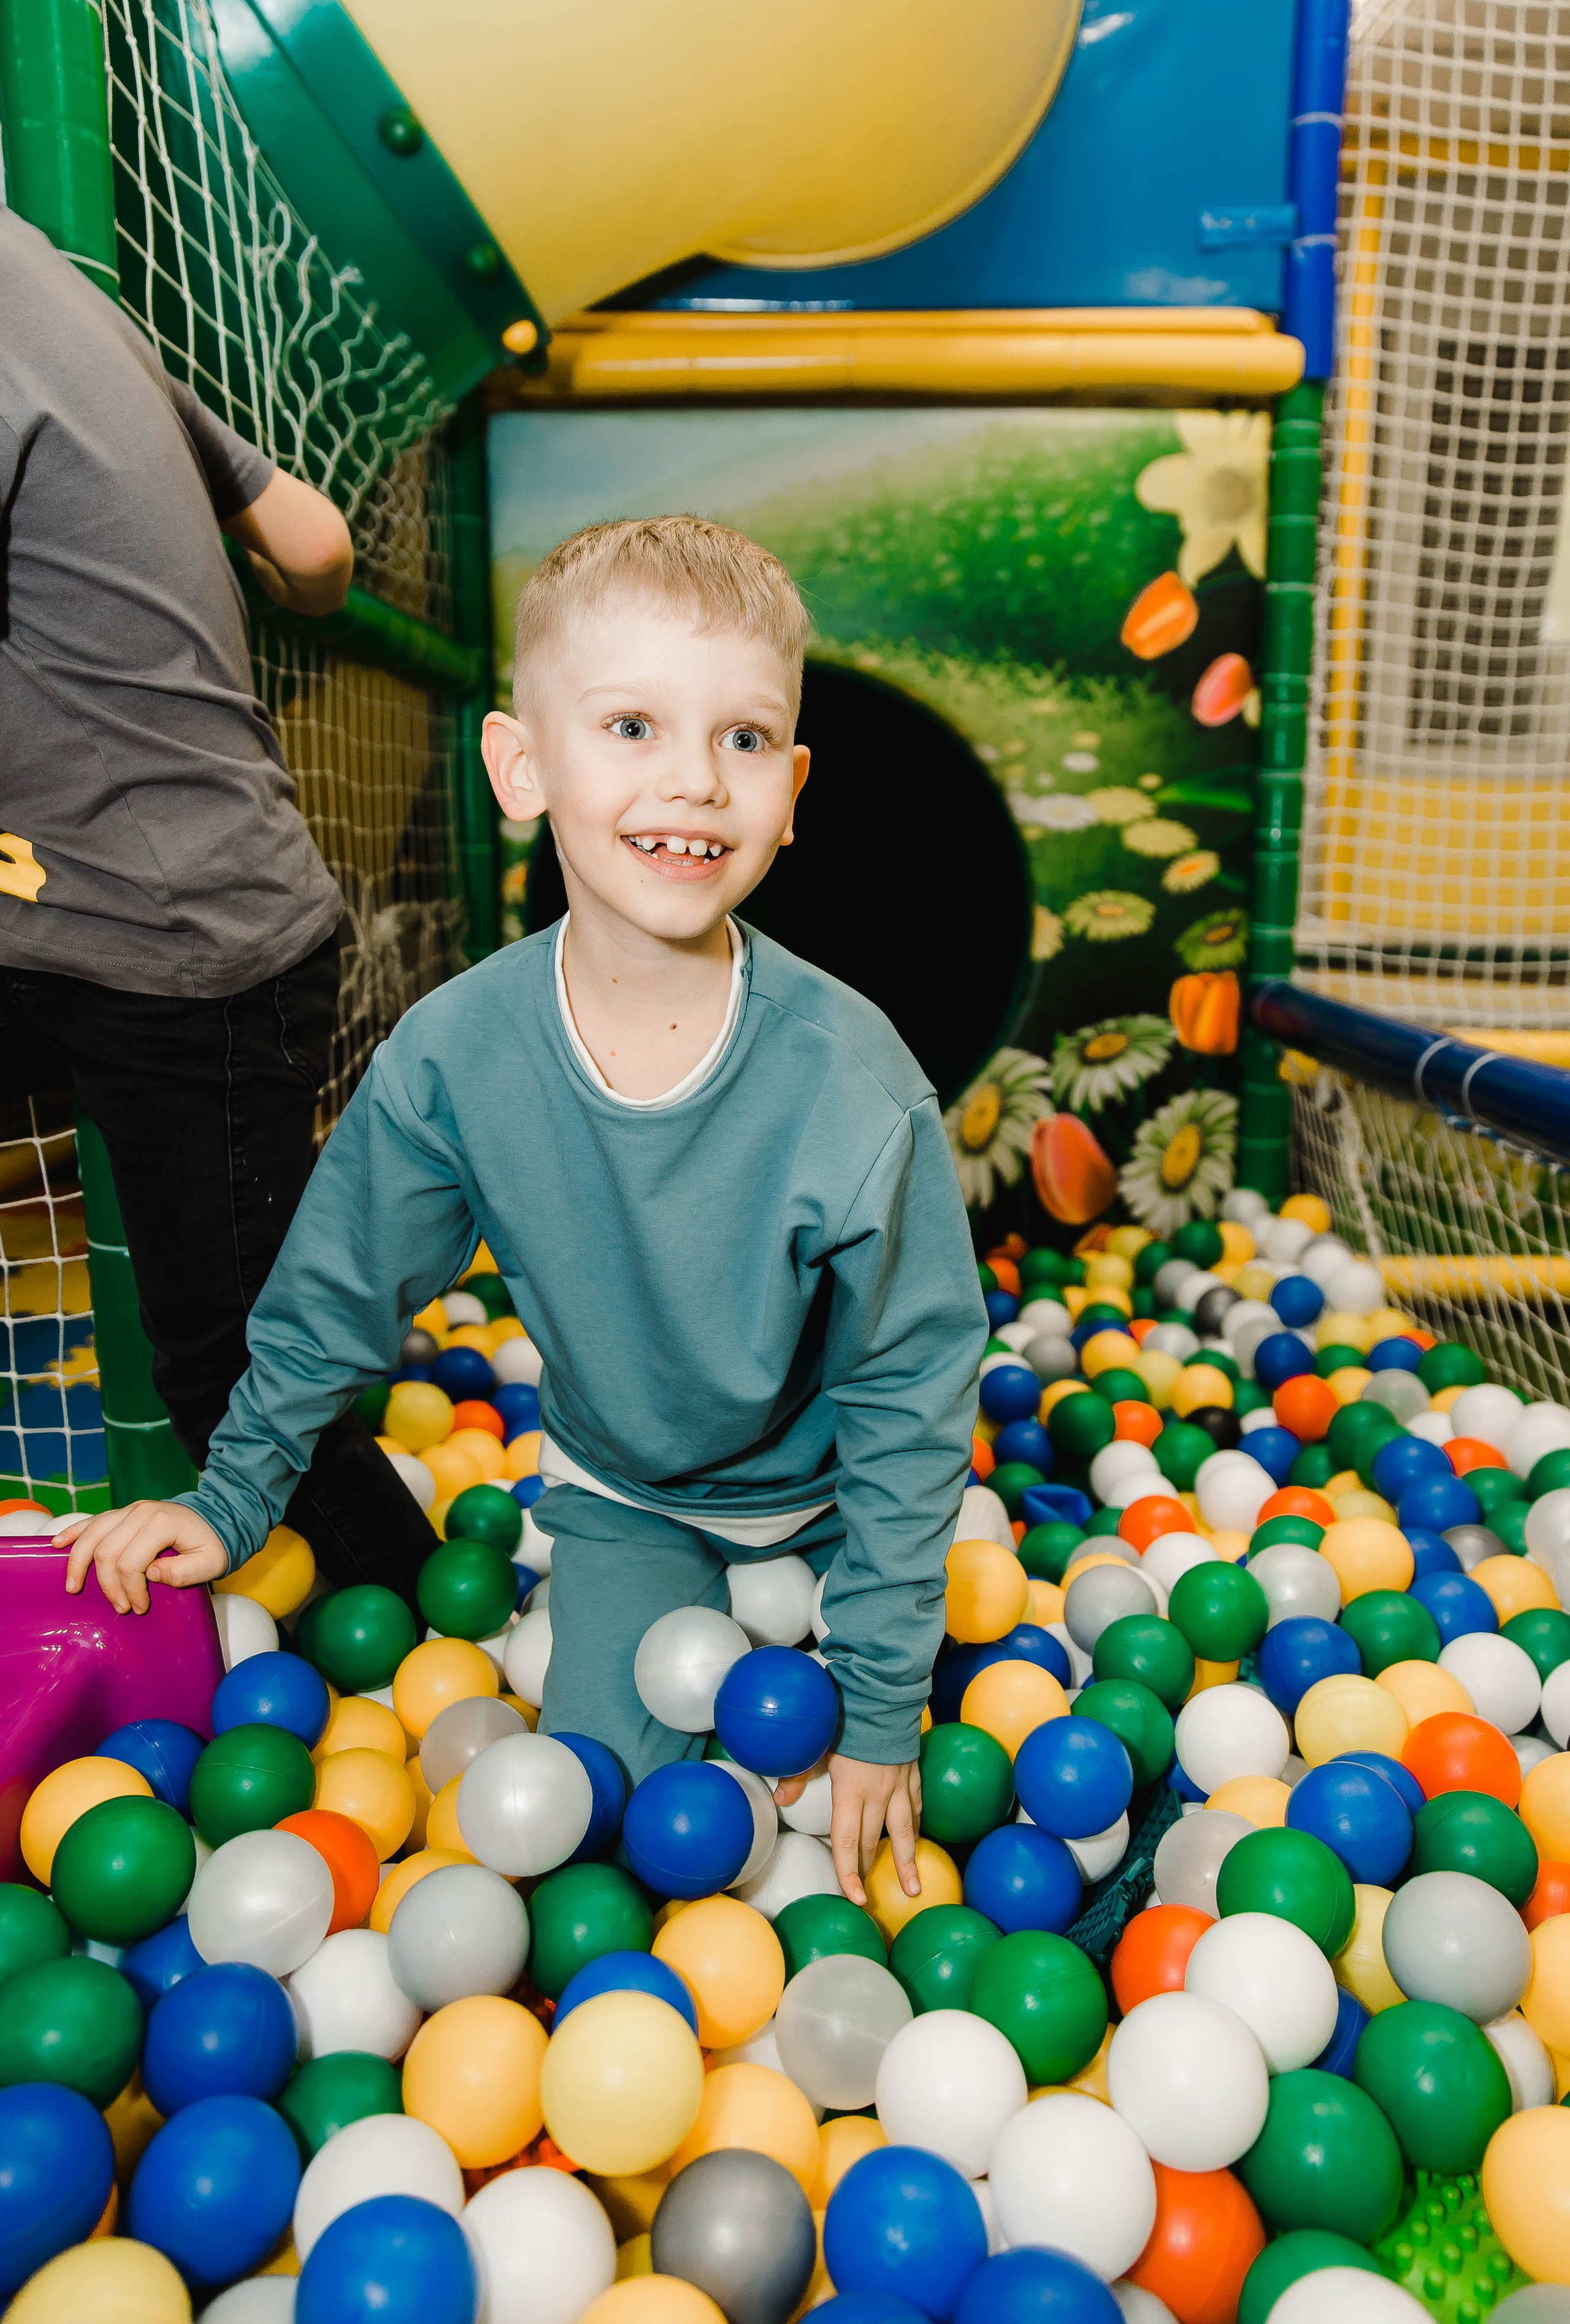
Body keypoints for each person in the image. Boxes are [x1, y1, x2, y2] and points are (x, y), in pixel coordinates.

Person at [61, 515, 986, 1906]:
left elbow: (911, 1388)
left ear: (791, 789)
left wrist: (877, 1697)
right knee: (605, 1828)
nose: (694, 780)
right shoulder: (455, 1057)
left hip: (832, 1502)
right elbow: (335, 1288)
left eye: (743, 738)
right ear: (520, 766)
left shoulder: (850, 1083)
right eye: (631, 725)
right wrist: (236, 1494)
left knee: (873, 1824)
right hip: (631, 1501)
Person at [0, 202, 436, 1609]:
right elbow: (315, 548)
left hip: (183, 954)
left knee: (232, 1373)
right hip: (111, 924)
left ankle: (420, 1627)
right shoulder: (51, 285)